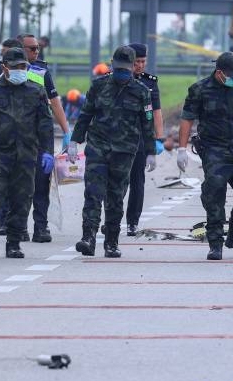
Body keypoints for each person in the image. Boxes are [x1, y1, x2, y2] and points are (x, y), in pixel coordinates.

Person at [67, 47, 155, 258]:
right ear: (112, 65)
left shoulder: (142, 92)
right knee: (93, 193)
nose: (122, 73)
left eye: (126, 69)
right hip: (98, 147)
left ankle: (111, 242)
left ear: (134, 67)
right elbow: (86, 115)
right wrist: (74, 141)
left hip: (124, 152)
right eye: (118, 69)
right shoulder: (98, 86)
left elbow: (147, 124)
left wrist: (151, 151)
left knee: (116, 196)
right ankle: (88, 237)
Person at [0, 47, 54, 260]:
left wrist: (47, 152)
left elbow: (45, 124)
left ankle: (14, 243)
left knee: (22, 198)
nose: (20, 71)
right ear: (4, 68)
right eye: (15, 67)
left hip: (26, 154)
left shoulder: (37, 91)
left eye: (23, 67)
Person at [178, 52, 233, 261]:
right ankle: (215, 243)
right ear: (219, 72)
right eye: (231, 75)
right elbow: (187, 119)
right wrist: (181, 149)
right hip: (214, 149)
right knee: (214, 194)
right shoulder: (199, 90)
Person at [17, 33, 72, 243]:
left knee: (41, 184)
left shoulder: (42, 72)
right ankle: (18, 226)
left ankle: (41, 227)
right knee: (18, 185)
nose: (35, 52)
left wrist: (66, 131)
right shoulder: (2, 70)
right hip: (13, 139)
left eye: (37, 48)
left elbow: (55, 102)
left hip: (40, 137)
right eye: (31, 48)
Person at [123, 43, 166, 237]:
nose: (140, 66)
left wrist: (159, 139)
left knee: (137, 181)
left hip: (140, 140)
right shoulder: (115, 79)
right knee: (117, 183)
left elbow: (157, 112)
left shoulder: (150, 83)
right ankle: (112, 219)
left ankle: (133, 222)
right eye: (136, 62)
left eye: (143, 61)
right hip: (119, 138)